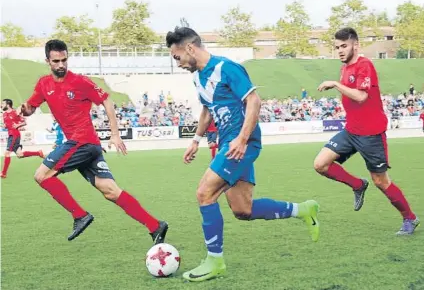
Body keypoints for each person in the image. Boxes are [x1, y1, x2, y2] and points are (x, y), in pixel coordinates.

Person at [166, 27, 320, 282]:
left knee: (205, 193)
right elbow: (207, 109)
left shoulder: (226, 68)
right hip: (230, 142)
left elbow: (254, 101)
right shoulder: (198, 77)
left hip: (240, 143)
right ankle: (303, 210)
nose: (178, 63)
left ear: (190, 48)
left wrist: (242, 138)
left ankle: (214, 261)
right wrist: (195, 140)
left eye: (177, 57)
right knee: (242, 209)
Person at [18, 39, 168, 243]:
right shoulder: (44, 84)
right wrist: (25, 110)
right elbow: (31, 107)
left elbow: (106, 100)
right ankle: (155, 225)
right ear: (48, 61)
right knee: (111, 191)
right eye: (56, 61)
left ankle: (79, 215)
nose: (61, 65)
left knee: (42, 175)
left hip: (83, 141)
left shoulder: (80, 81)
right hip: (85, 146)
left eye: (64, 60)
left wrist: (115, 134)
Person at [315, 27, 419, 235]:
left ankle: (410, 218)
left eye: (344, 46)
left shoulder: (365, 65)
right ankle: (357, 185)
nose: (340, 51)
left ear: (356, 45)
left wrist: (335, 84)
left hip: (371, 134)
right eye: (337, 48)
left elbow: (361, 97)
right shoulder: (345, 68)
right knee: (320, 164)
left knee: (381, 181)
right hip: (351, 131)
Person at [1, 98, 44, 178]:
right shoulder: (4, 114)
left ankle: (3, 173)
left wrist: (18, 125)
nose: (1, 105)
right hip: (11, 135)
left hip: (14, 135)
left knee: (7, 153)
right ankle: (38, 152)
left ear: (8, 105)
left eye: (3, 104)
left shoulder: (15, 113)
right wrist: (2, 125)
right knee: (20, 154)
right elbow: (6, 125)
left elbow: (24, 122)